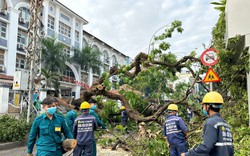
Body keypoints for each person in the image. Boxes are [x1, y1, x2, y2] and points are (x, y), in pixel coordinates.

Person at [181, 91, 234, 156]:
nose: (203, 108)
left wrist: (188, 154)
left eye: (203, 105)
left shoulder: (211, 123)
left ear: (208, 106)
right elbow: (231, 147)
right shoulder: (225, 123)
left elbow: (206, 147)